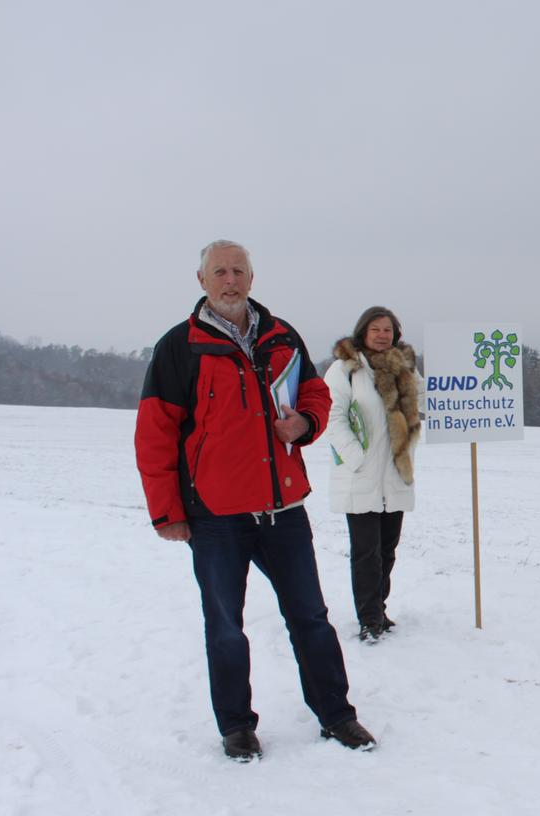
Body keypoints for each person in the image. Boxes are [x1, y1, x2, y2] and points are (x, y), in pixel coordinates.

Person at [135, 240, 376, 761]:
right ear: (201, 280)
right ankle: (237, 726)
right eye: (219, 271)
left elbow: (314, 393)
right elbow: (155, 433)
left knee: (310, 616)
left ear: (251, 278)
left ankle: (337, 715)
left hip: (283, 512)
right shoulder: (180, 346)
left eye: (238, 271)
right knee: (226, 626)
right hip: (215, 516)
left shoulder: (280, 335)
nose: (230, 280)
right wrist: (167, 511)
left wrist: (306, 423)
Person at [325, 306, 422, 642]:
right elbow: (333, 418)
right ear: (363, 331)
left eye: (388, 330)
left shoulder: (405, 369)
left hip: (395, 474)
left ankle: (380, 608)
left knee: (387, 549)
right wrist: (357, 459)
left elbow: (424, 403)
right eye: (376, 329)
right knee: (365, 551)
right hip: (361, 475)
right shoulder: (345, 370)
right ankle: (368, 618)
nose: (382, 335)